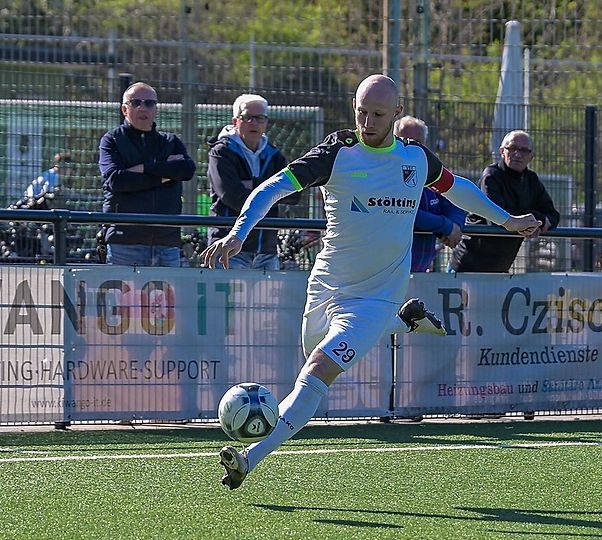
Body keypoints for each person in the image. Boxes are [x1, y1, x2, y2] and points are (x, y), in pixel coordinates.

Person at [202, 74, 542, 490]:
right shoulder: (337, 152)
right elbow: (273, 187)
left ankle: (249, 458)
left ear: (396, 114)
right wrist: (239, 233)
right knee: (311, 356)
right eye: (361, 111)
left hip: (376, 296)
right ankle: (407, 321)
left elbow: (461, 190)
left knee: (316, 372)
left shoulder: (416, 159)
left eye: (378, 114)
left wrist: (508, 221)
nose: (367, 121)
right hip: (326, 286)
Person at [98, 82, 196, 267]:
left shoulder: (170, 141)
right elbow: (116, 180)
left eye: (149, 103)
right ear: (124, 109)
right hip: (125, 242)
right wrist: (164, 174)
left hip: (167, 242)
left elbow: (186, 170)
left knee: (168, 296)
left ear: (156, 109)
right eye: (136, 103)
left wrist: (143, 168)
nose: (143, 108)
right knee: (125, 295)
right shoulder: (112, 140)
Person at [207, 94, 300, 270]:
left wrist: (254, 184)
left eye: (259, 118)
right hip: (228, 249)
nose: (254, 123)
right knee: (228, 298)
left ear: (266, 122)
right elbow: (233, 197)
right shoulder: (221, 152)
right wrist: (272, 191)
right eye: (247, 117)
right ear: (235, 121)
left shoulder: (274, 155)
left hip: (266, 250)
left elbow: (295, 194)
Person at [449, 130, 560, 273]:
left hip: (500, 268)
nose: (517, 154)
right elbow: (498, 217)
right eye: (512, 148)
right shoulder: (491, 176)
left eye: (524, 150)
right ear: (502, 151)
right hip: (467, 265)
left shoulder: (531, 180)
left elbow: (553, 215)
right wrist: (533, 220)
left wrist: (537, 223)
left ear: (531, 156)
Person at [394, 116, 466, 272]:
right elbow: (406, 212)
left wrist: (455, 226)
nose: (411, 147)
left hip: (420, 273)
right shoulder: (387, 173)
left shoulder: (429, 171)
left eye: (417, 142)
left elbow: (455, 202)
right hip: (389, 274)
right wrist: (445, 226)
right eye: (405, 141)